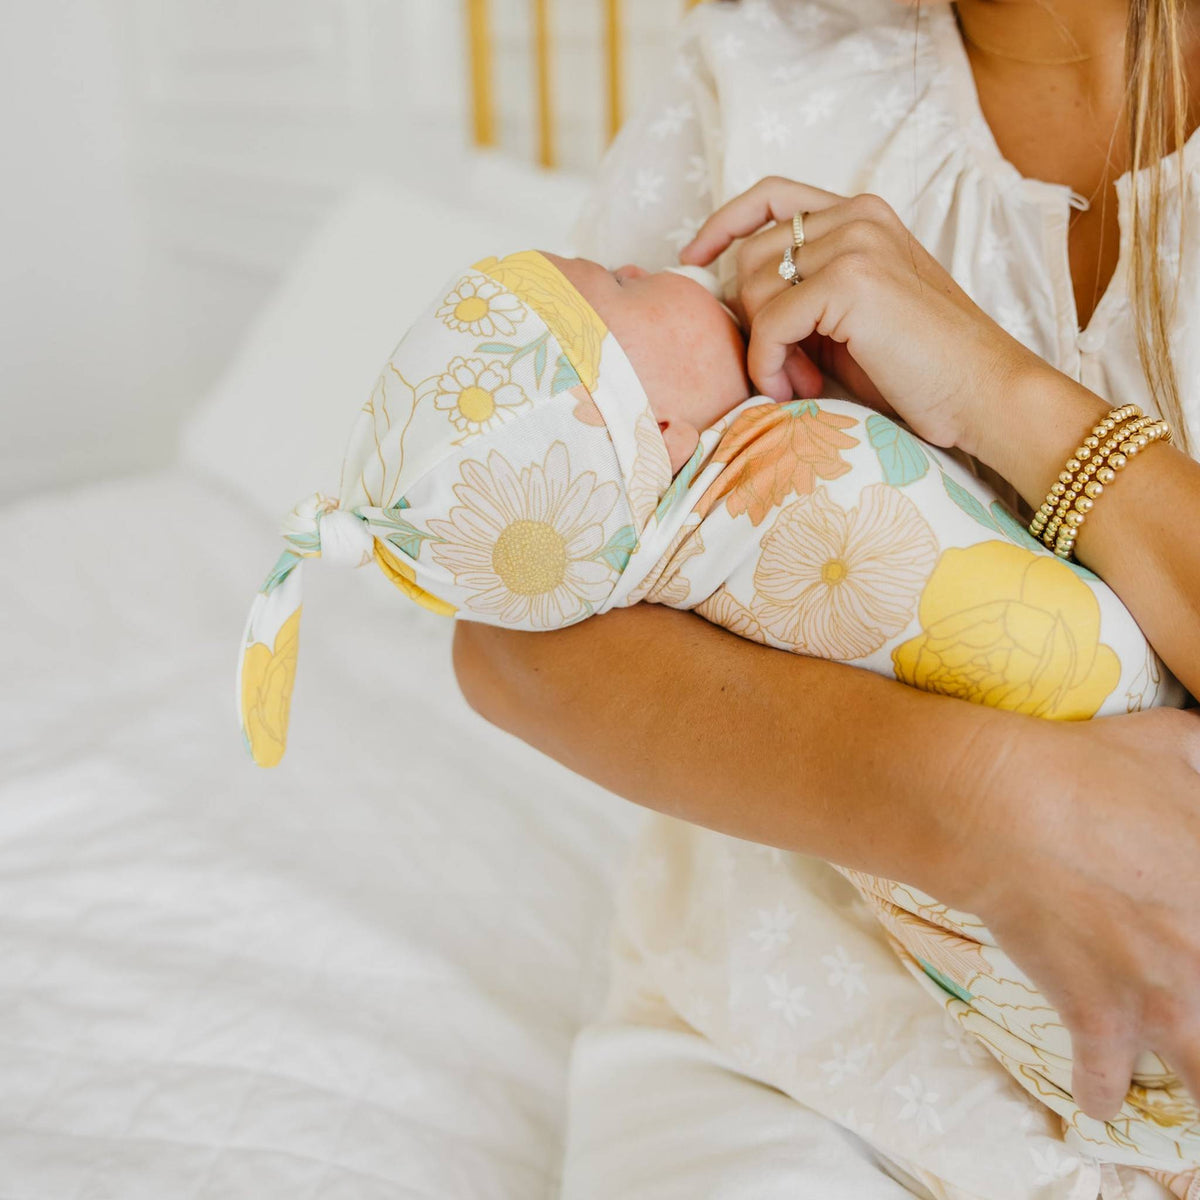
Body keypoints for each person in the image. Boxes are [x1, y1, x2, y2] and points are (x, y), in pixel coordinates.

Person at [450, 1, 1200, 1196]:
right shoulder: (757, 71)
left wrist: (1002, 391)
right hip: (782, 1056)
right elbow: (512, 634)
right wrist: (985, 803)